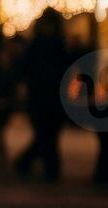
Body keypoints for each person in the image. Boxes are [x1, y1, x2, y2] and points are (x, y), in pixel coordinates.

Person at [14, 10, 74, 180]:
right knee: (45, 134)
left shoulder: (55, 46)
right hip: (41, 96)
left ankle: (36, 165)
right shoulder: (40, 46)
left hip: (52, 96)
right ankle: (49, 168)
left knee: (48, 134)